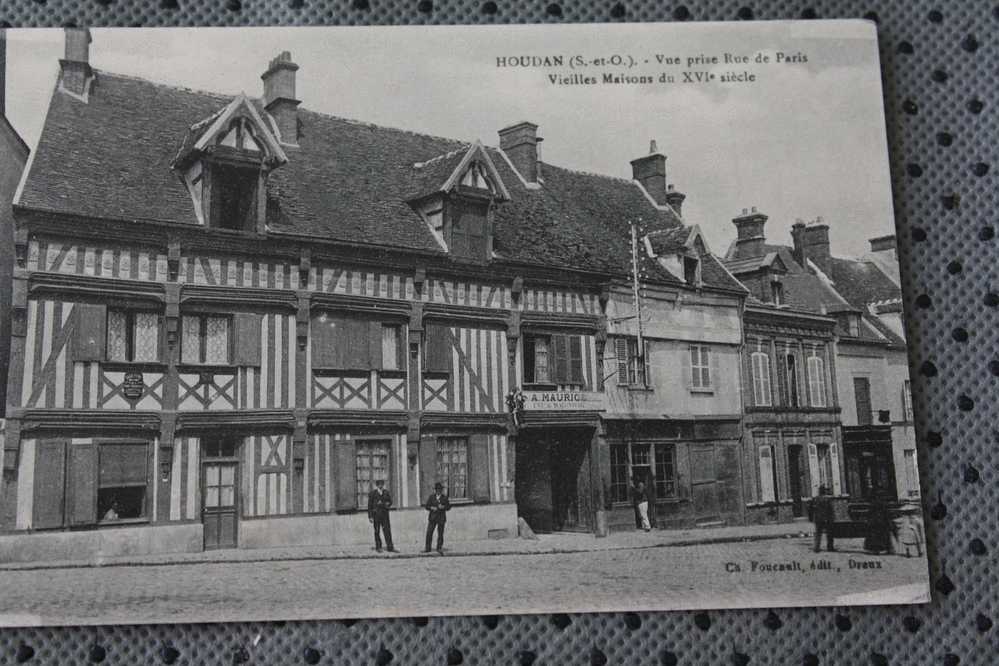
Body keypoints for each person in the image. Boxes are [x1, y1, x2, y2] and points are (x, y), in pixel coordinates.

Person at [367, 479, 396, 553]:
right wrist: (370, 517)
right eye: (379, 484)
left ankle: (390, 547)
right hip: (376, 515)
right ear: (377, 485)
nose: (380, 486)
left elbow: (390, 502)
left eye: (382, 484)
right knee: (377, 531)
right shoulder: (373, 493)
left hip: (385, 515)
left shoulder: (386, 492)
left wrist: (386, 504)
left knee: (387, 530)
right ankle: (378, 547)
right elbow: (369, 506)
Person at [424, 481, 451, 554]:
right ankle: (427, 548)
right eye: (437, 489)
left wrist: (443, 507)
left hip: (441, 518)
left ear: (441, 490)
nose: (438, 491)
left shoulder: (444, 498)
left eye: (440, 489)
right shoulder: (431, 497)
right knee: (429, 532)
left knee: (440, 534)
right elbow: (427, 506)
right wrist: (432, 508)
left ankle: (439, 547)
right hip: (432, 518)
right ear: (435, 490)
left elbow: (448, 507)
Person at [809, 485, 835, 553]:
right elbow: (830, 509)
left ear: (819, 491)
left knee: (818, 534)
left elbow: (811, 509)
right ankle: (830, 547)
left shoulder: (815, 499)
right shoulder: (827, 499)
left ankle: (816, 548)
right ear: (824, 491)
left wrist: (812, 518)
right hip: (826, 519)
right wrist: (832, 518)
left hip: (818, 519)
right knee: (829, 534)